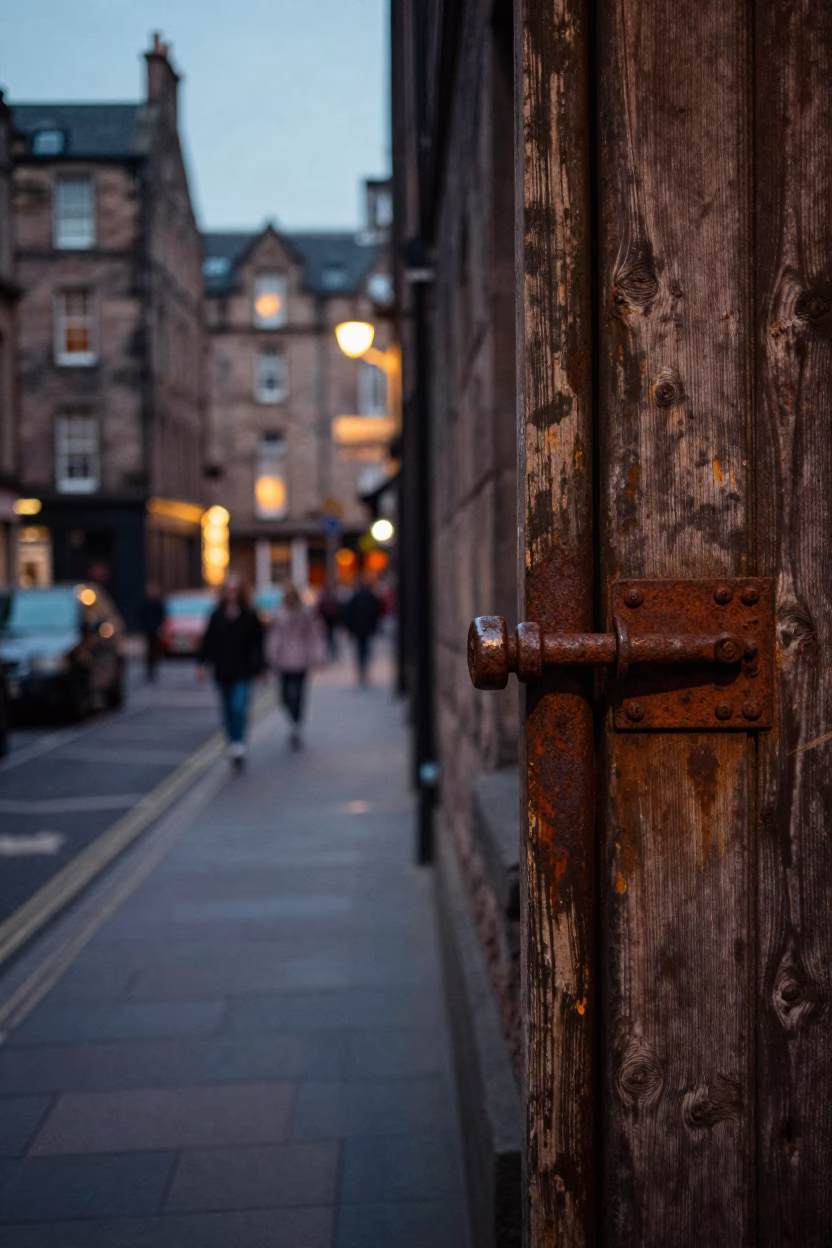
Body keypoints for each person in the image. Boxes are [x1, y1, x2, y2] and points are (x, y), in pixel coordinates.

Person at [197, 575, 264, 768]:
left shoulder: (250, 615)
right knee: (226, 708)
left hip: (243, 670)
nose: (232, 594)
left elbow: (258, 644)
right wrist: (201, 664)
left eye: (236, 590)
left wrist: (261, 668)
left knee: (239, 706)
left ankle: (239, 741)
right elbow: (208, 642)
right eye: (229, 590)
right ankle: (232, 740)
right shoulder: (216, 615)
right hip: (222, 670)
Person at [267, 584, 327, 749]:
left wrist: (318, 655)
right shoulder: (278, 613)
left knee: (299, 694)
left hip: (301, 658)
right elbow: (274, 636)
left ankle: (296, 725)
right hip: (284, 660)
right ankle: (293, 720)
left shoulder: (306, 613)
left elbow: (315, 635)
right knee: (285, 695)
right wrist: (271, 654)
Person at [344, 575, 382, 686]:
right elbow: (376, 613)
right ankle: (365, 667)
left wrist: (350, 628)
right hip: (366, 628)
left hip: (358, 629)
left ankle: (362, 668)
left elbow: (349, 614)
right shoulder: (371, 596)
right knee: (366, 648)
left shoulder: (355, 597)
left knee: (360, 649)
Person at [138, 581, 165, 682]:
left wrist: (159, 626)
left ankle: (153, 669)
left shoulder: (158, 603)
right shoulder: (145, 603)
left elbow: (161, 615)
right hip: (147, 630)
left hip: (155, 630)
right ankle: (149, 669)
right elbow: (140, 615)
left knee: (155, 651)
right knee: (149, 651)